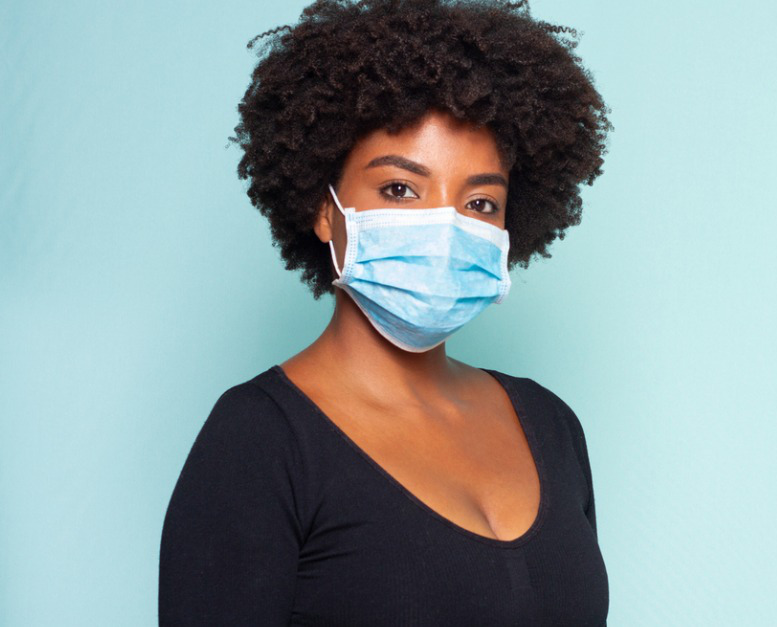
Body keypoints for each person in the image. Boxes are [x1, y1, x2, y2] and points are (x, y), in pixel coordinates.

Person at [158, 0, 613, 624]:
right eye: (400, 189)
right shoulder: (259, 442)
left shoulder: (551, 425)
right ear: (326, 209)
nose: (445, 228)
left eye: (480, 203)